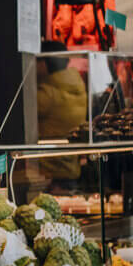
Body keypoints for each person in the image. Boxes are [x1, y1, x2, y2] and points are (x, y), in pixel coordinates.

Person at [36, 41, 87, 192]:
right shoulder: (76, 86)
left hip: (52, 173)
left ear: (44, 63)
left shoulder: (47, 94)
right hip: (70, 166)